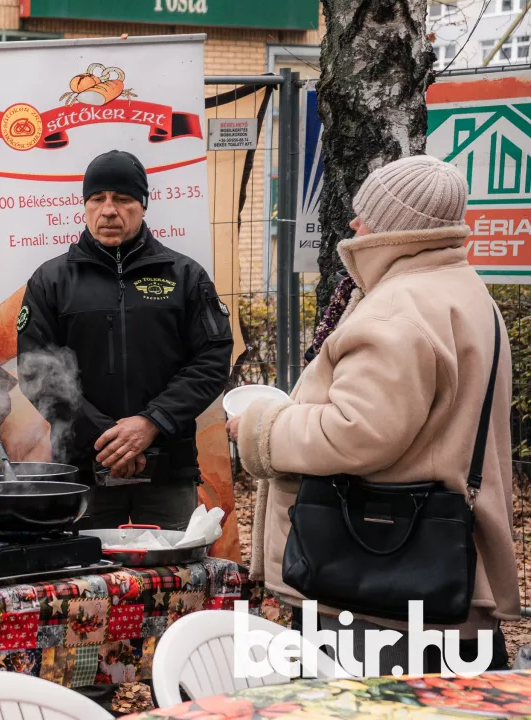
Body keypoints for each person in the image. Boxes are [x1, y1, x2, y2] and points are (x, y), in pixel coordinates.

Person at [229, 154, 518, 673]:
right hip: (441, 573)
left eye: (366, 214)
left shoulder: (397, 309)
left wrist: (260, 427)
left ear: (393, 229)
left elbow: (356, 433)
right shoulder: (465, 292)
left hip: (377, 592)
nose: (353, 224)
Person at [17, 150, 233, 530]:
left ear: (144, 205)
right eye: (97, 199)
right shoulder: (50, 282)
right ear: (84, 207)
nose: (109, 210)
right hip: (84, 472)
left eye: (123, 199)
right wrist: (108, 438)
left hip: (168, 469)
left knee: (178, 579)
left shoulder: (185, 277)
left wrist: (150, 423)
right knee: (86, 586)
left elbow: (212, 359)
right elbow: (37, 373)